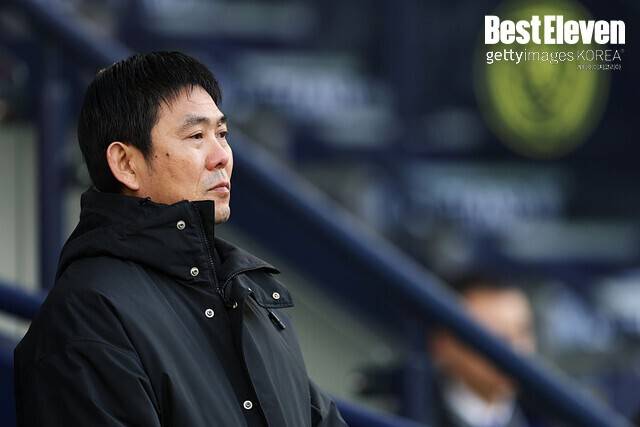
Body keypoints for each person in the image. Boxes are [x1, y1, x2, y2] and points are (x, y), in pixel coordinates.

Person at [14, 51, 347, 427]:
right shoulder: (86, 317)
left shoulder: (248, 292)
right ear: (125, 164)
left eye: (222, 134)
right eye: (196, 136)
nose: (222, 156)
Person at [428, 274, 546, 427]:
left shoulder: (554, 415)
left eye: (523, 332)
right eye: (494, 337)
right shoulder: (407, 407)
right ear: (444, 344)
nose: (516, 349)